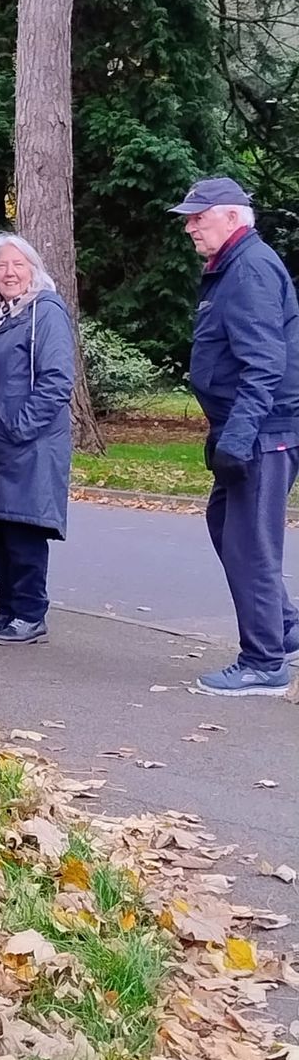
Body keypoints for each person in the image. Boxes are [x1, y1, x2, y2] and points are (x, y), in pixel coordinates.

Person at [169, 177, 299, 696]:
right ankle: (283, 628)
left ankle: (264, 662)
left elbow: (265, 363)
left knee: (249, 544)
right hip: (252, 427)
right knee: (227, 525)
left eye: (199, 217)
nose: (189, 226)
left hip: (265, 430)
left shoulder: (249, 268)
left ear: (231, 217)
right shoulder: (233, 266)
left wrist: (240, 437)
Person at [0, 234, 74, 644]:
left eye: (17, 265)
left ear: (33, 271)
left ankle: (29, 612)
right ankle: (6, 608)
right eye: (1, 266)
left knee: (21, 531)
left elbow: (57, 381)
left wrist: (20, 428)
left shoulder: (45, 312)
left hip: (27, 445)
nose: (9, 273)